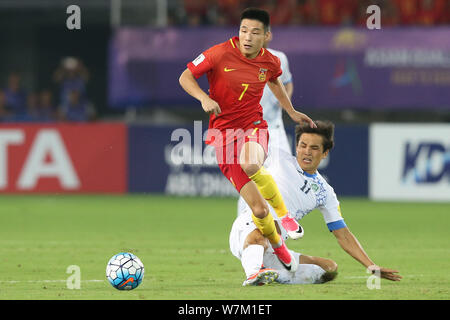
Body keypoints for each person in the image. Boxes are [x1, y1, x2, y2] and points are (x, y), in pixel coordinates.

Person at [179, 7, 315, 272]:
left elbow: (276, 82)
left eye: (254, 32)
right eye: (243, 30)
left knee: (251, 164)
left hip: (254, 127)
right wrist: (204, 98)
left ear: (266, 36)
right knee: (260, 211)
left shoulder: (271, 61)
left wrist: (291, 111)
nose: (248, 37)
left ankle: (285, 216)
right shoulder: (218, 53)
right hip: (223, 137)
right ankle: (280, 248)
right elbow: (185, 76)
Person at [232, 120, 402, 285]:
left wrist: (370, 265)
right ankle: (254, 274)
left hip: (275, 247)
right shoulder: (277, 158)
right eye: (303, 145)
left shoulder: (325, 192)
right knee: (262, 231)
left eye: (314, 148)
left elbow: (343, 234)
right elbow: (247, 150)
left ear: (325, 153)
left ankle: (275, 275)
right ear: (296, 146)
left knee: (329, 268)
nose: (307, 152)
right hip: (248, 230)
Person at [237, 26, 294, 218]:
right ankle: (243, 226)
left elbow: (287, 82)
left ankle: (281, 228)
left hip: (275, 130)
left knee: (284, 178)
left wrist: (285, 102)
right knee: (249, 178)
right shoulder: (239, 59)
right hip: (250, 131)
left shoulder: (279, 58)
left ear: (268, 35)